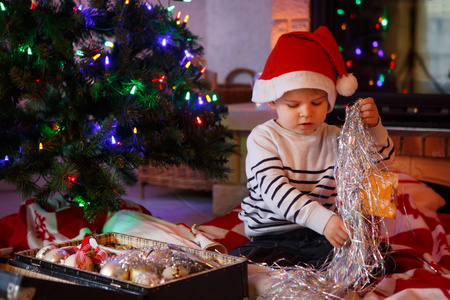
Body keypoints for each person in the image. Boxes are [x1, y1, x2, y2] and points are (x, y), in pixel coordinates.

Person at [229, 26, 395, 267]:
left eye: (316, 102)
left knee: (380, 257)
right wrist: (323, 220)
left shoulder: (336, 137)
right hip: (273, 238)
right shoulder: (263, 137)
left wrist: (375, 128)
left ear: (329, 100)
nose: (306, 112)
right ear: (274, 101)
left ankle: (314, 270)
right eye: (293, 104)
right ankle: (308, 272)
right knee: (245, 263)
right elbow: (274, 189)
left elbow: (381, 166)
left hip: (320, 238)